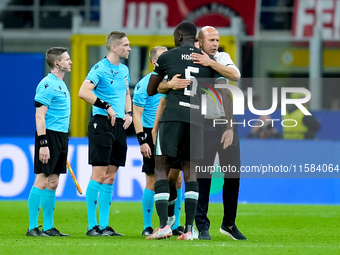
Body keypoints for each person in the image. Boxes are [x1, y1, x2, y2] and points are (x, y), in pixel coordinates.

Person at [146, 21, 219, 240]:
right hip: (196, 120)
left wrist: (168, 85)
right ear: (194, 37)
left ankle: (163, 226)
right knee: (191, 173)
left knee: (162, 168)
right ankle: (188, 230)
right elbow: (212, 92)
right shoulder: (207, 61)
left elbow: (151, 90)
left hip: (173, 118)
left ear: (178, 37)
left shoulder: (167, 57)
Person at [190, 26, 247, 240]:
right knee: (203, 177)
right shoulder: (192, 60)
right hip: (202, 126)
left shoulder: (222, 57)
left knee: (233, 175)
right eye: (211, 40)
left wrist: (229, 127)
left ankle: (229, 224)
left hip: (227, 125)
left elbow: (236, 75)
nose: (215, 43)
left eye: (217, 39)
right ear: (200, 42)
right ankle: (202, 226)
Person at [78, 31, 133, 236]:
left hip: (119, 125)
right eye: (126, 45)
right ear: (114, 47)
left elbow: (127, 93)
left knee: (110, 177)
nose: (129, 48)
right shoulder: (99, 68)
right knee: (99, 175)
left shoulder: (124, 69)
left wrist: (128, 113)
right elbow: (83, 92)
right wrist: (106, 105)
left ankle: (104, 225)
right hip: (101, 123)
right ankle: (92, 226)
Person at [27, 47, 72, 237]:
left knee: (53, 181)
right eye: (67, 59)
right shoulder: (47, 84)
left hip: (61, 136)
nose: (70, 62)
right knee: (42, 179)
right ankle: (32, 227)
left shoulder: (61, 84)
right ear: (57, 63)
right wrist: (43, 143)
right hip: (49, 135)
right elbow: (39, 115)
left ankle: (48, 227)